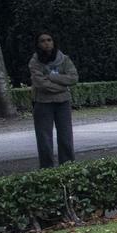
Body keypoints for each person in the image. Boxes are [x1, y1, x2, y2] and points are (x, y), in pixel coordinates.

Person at [28, 30, 79, 167]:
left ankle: (68, 166)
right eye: (43, 41)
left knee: (66, 136)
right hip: (43, 103)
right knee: (44, 138)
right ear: (38, 44)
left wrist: (53, 77)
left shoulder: (64, 59)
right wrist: (61, 86)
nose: (46, 43)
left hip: (63, 103)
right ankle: (47, 169)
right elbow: (40, 83)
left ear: (54, 42)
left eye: (49, 40)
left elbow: (73, 78)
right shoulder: (34, 62)